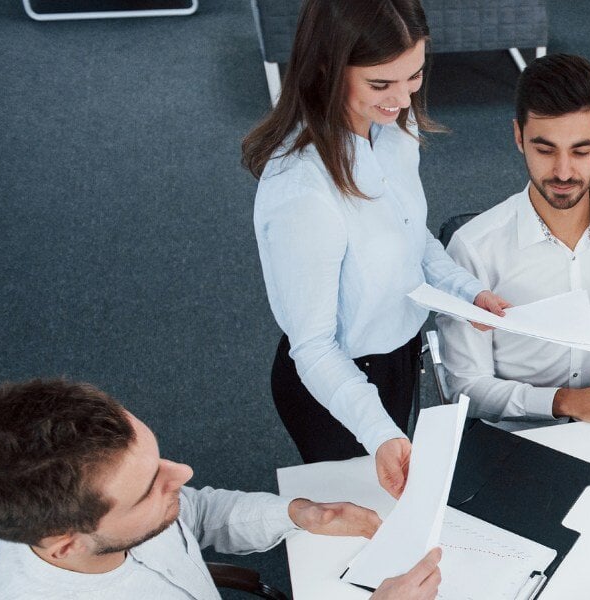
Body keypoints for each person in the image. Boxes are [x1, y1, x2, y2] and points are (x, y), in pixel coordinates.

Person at [241, 0, 510, 497]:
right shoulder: (302, 193)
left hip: (399, 354)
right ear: (326, 70)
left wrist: (466, 291)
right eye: (381, 84)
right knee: (357, 519)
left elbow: (412, 237)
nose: (404, 101)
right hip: (336, 381)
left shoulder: (390, 133)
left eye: (414, 77)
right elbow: (314, 348)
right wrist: (381, 430)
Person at [0, 379, 443, 600]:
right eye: (150, 487)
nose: (183, 474)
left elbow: (198, 514)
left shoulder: (101, 516)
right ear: (67, 544)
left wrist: (299, 513)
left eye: (158, 457)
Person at [436, 54, 590, 437]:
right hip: (518, 434)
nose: (564, 172)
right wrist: (567, 401)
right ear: (519, 137)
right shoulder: (473, 248)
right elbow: (467, 387)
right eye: (546, 149)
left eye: (581, 151)